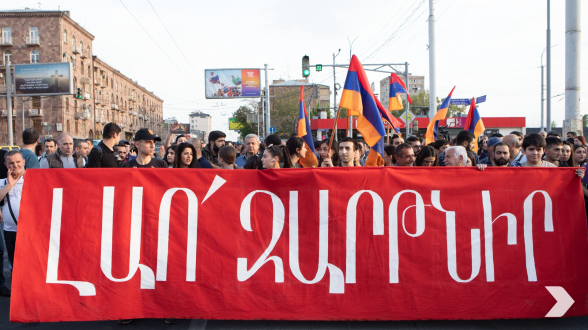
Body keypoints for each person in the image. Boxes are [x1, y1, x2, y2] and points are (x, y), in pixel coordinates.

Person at [0, 150, 26, 297]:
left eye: (18, 162)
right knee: (14, 264)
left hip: (30, 229)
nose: (15, 165)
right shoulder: (3, 182)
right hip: (10, 231)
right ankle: (20, 293)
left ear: (23, 162)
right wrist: (9, 185)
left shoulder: (34, 179)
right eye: (11, 163)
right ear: (6, 165)